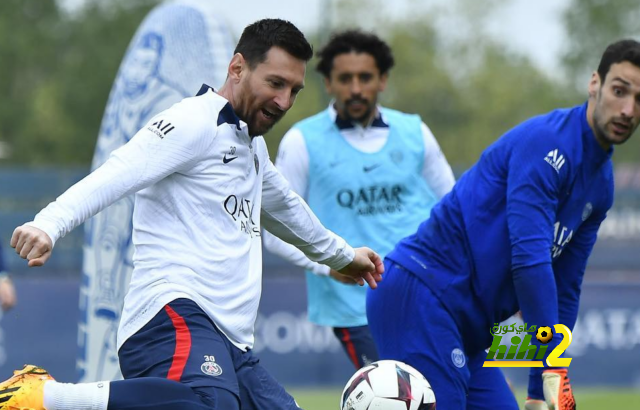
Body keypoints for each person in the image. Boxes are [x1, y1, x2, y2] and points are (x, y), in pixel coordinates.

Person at [0, 19, 383, 410]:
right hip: (171, 315)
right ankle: (44, 397)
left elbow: (289, 210)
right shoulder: (194, 121)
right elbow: (120, 171)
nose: (284, 101)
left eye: (294, 91)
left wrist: (344, 257)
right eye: (275, 84)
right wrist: (49, 222)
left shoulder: (253, 147)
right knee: (209, 404)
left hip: (230, 343)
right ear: (237, 68)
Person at [366, 39, 640, 410]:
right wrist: (551, 367)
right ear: (595, 83)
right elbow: (529, 263)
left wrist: (535, 389)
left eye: (639, 100)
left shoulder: (602, 184)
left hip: (468, 324)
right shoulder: (547, 144)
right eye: (620, 91)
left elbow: (565, 288)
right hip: (420, 293)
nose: (627, 109)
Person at [262, 29, 455, 369]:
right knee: (400, 399)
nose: (354, 88)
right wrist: (329, 264)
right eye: (344, 78)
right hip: (355, 308)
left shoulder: (415, 132)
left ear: (382, 80)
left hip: (430, 294)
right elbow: (273, 231)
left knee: (469, 394)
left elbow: (456, 211)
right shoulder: (302, 141)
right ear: (328, 83)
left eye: (364, 77)